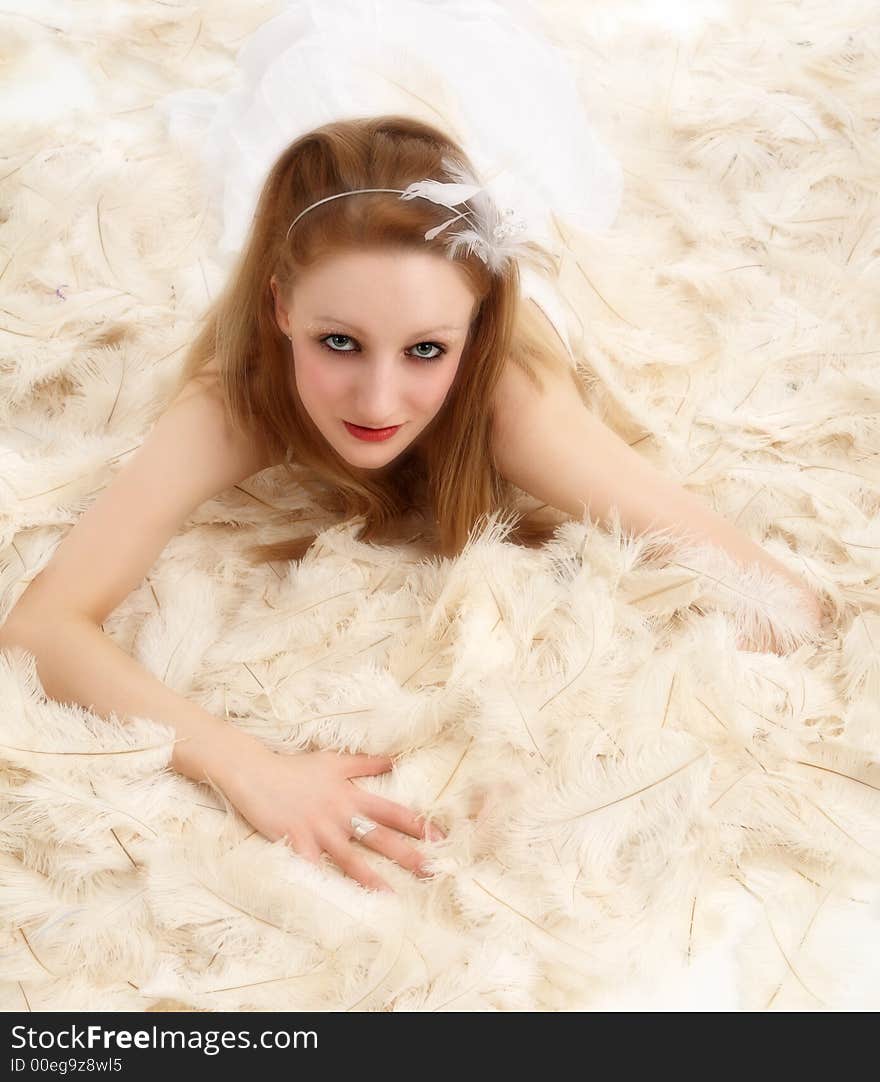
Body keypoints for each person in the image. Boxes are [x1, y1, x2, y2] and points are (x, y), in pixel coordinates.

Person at [0, 17, 831, 897]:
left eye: (426, 351)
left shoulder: (515, 402)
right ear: (281, 308)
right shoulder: (238, 395)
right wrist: (249, 766)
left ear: (475, 327)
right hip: (318, 72)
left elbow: (783, 601)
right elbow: (43, 626)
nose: (379, 403)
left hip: (480, 71)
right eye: (339, 342)